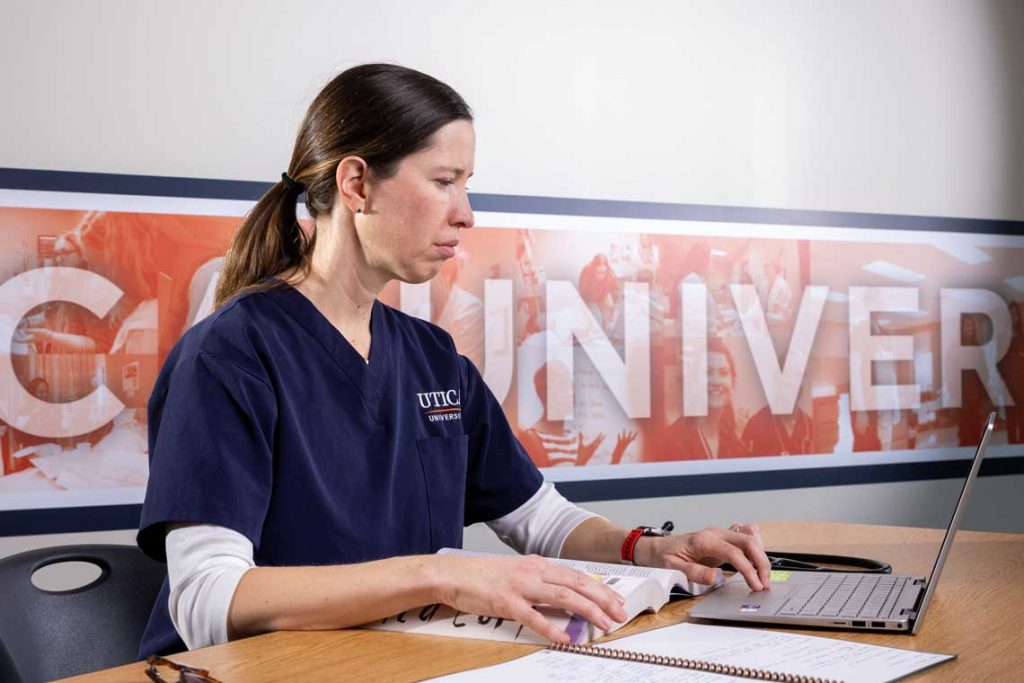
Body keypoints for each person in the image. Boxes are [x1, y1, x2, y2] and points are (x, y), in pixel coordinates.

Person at [135, 64, 770, 658]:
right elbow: (205, 600)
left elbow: (539, 520)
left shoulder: (431, 357)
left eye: (466, 186)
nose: (465, 215)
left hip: (391, 662)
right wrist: (440, 575)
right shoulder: (230, 354)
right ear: (356, 184)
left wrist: (653, 549)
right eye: (443, 182)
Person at [644, 339, 747, 461]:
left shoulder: (733, 439)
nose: (716, 381)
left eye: (723, 373)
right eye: (707, 373)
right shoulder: (672, 442)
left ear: (733, 383)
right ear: (692, 383)